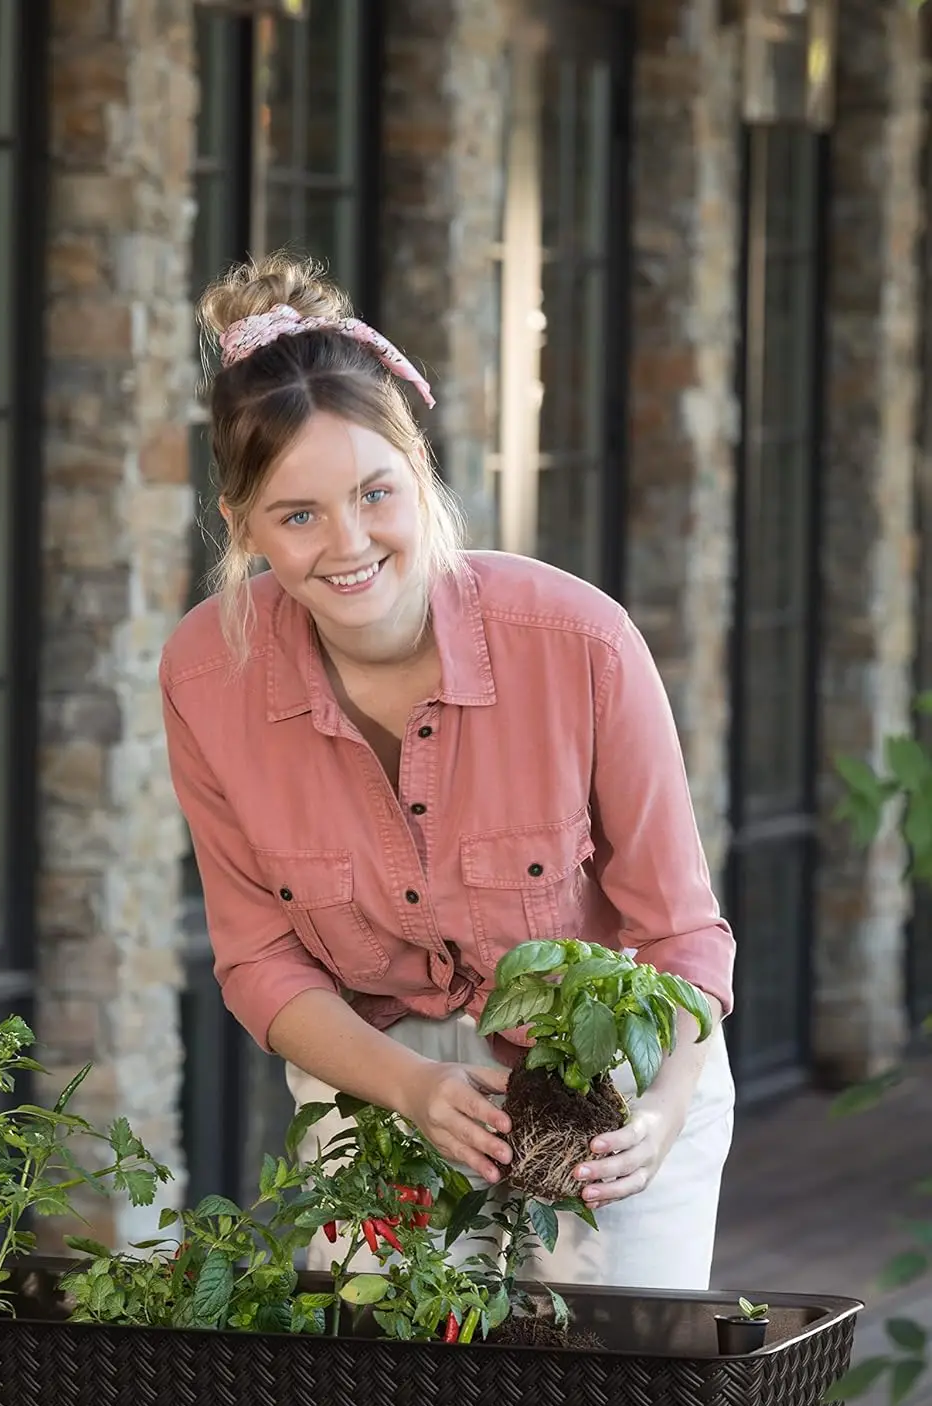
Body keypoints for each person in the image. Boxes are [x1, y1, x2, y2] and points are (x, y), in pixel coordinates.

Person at [160, 254, 736, 1290]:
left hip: (604, 1085)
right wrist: (414, 1086)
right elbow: (259, 962)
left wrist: (657, 1114)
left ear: (417, 469)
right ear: (242, 526)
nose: (348, 547)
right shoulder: (207, 677)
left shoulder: (579, 643)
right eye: (297, 516)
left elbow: (681, 937)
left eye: (374, 493)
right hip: (375, 1077)